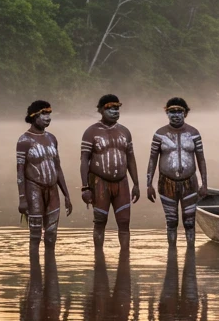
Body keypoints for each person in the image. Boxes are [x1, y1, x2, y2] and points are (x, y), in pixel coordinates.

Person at [79, 94, 140, 249]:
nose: (115, 112)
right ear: (100, 110)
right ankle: (98, 258)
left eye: (117, 108)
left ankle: (125, 258)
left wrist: (136, 184)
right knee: (100, 221)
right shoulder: (91, 132)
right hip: (100, 182)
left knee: (124, 222)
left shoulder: (125, 132)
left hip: (122, 182)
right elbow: (84, 160)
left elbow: (131, 159)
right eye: (110, 109)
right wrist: (85, 187)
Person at [146, 97, 208, 245]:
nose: (176, 115)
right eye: (172, 111)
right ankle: (172, 255)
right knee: (171, 221)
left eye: (179, 111)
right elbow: (152, 160)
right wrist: (149, 185)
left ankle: (190, 254)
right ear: (167, 113)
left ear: (185, 113)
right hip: (166, 183)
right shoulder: (160, 134)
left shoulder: (194, 133)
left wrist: (204, 184)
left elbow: (201, 160)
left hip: (190, 183)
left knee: (189, 221)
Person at [16, 100, 73, 247]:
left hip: (52, 190)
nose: (48, 118)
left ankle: (50, 268)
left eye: (49, 114)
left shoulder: (51, 139)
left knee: (51, 235)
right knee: (35, 236)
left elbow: (58, 168)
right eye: (44, 114)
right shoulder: (24, 141)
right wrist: (22, 199)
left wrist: (66, 195)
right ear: (34, 116)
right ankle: (34, 267)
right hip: (34, 189)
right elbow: (20, 172)